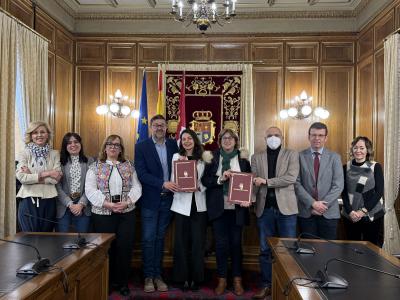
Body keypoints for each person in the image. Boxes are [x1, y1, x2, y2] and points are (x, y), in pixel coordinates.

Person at [85, 134, 142, 296]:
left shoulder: (129, 166)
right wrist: (108, 204)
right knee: (106, 250)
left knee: (124, 248)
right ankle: (107, 282)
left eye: (117, 145)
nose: (113, 147)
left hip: (126, 214)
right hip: (103, 215)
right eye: (110, 144)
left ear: (121, 149)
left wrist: (127, 202)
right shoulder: (95, 167)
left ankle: (122, 283)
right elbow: (90, 190)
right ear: (105, 147)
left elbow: (137, 187)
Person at [201, 128, 251, 296]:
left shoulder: (243, 159)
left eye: (231, 138)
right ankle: (222, 279)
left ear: (235, 141)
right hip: (218, 208)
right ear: (219, 140)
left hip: (237, 208)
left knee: (236, 244)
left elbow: (249, 181)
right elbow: (205, 181)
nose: (227, 140)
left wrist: (247, 197)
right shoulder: (212, 158)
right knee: (221, 245)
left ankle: (237, 280)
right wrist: (220, 178)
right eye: (224, 138)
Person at [251, 126, 299, 299]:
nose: (273, 138)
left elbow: (290, 178)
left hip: (286, 209)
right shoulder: (256, 157)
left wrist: (266, 181)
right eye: (269, 135)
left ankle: (288, 287)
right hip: (265, 210)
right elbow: (254, 183)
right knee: (264, 250)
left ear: (282, 137)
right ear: (265, 138)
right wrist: (249, 198)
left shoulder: (292, 154)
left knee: (288, 250)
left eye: (276, 135)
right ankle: (266, 285)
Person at [135, 114, 179, 293]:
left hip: (168, 200)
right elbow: (142, 174)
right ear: (151, 127)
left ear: (166, 127)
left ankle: (158, 275)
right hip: (150, 200)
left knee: (160, 239)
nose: (159, 128)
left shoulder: (173, 145)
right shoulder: (141, 146)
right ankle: (148, 276)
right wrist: (162, 183)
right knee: (148, 239)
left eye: (162, 125)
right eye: (156, 125)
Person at [170, 129, 210, 291]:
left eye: (189, 138)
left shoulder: (205, 158)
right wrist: (181, 183)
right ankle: (182, 277)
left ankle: (196, 278)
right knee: (181, 242)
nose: (186, 141)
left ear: (195, 140)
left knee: (198, 243)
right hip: (181, 205)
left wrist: (199, 186)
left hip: (199, 205)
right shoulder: (176, 157)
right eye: (183, 139)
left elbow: (208, 179)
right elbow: (173, 179)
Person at [295, 122, 344, 240]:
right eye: (314, 135)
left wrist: (322, 206)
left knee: (328, 251)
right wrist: (313, 204)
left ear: (326, 138)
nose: (317, 138)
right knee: (308, 251)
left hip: (329, 213)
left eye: (321, 135)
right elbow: (296, 183)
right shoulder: (299, 156)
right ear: (309, 137)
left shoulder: (335, 157)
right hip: (307, 212)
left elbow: (338, 185)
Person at [16, 121, 62, 232]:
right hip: (28, 200)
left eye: (42, 132)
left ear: (48, 135)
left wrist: (31, 176)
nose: (39, 135)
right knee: (29, 238)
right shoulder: (24, 153)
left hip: (49, 200)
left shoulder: (55, 154)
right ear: (31, 136)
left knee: (46, 239)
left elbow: (56, 179)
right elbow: (22, 178)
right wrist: (48, 173)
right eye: (35, 132)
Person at [341, 136, 384, 247]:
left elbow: (379, 192)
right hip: (350, 215)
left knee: (372, 249)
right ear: (352, 150)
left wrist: (363, 211)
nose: (358, 151)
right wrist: (350, 212)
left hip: (371, 214)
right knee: (352, 248)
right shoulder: (346, 167)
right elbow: (344, 192)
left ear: (367, 150)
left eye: (362, 148)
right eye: (355, 148)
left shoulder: (375, 166)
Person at [56, 132, 93, 233]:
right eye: (69, 143)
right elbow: (57, 186)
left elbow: (92, 186)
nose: (73, 145)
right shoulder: (59, 162)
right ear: (65, 146)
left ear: (80, 144)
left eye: (76, 142)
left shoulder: (90, 161)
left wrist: (81, 204)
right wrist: (70, 204)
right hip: (64, 205)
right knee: (62, 241)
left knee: (82, 242)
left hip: (83, 206)